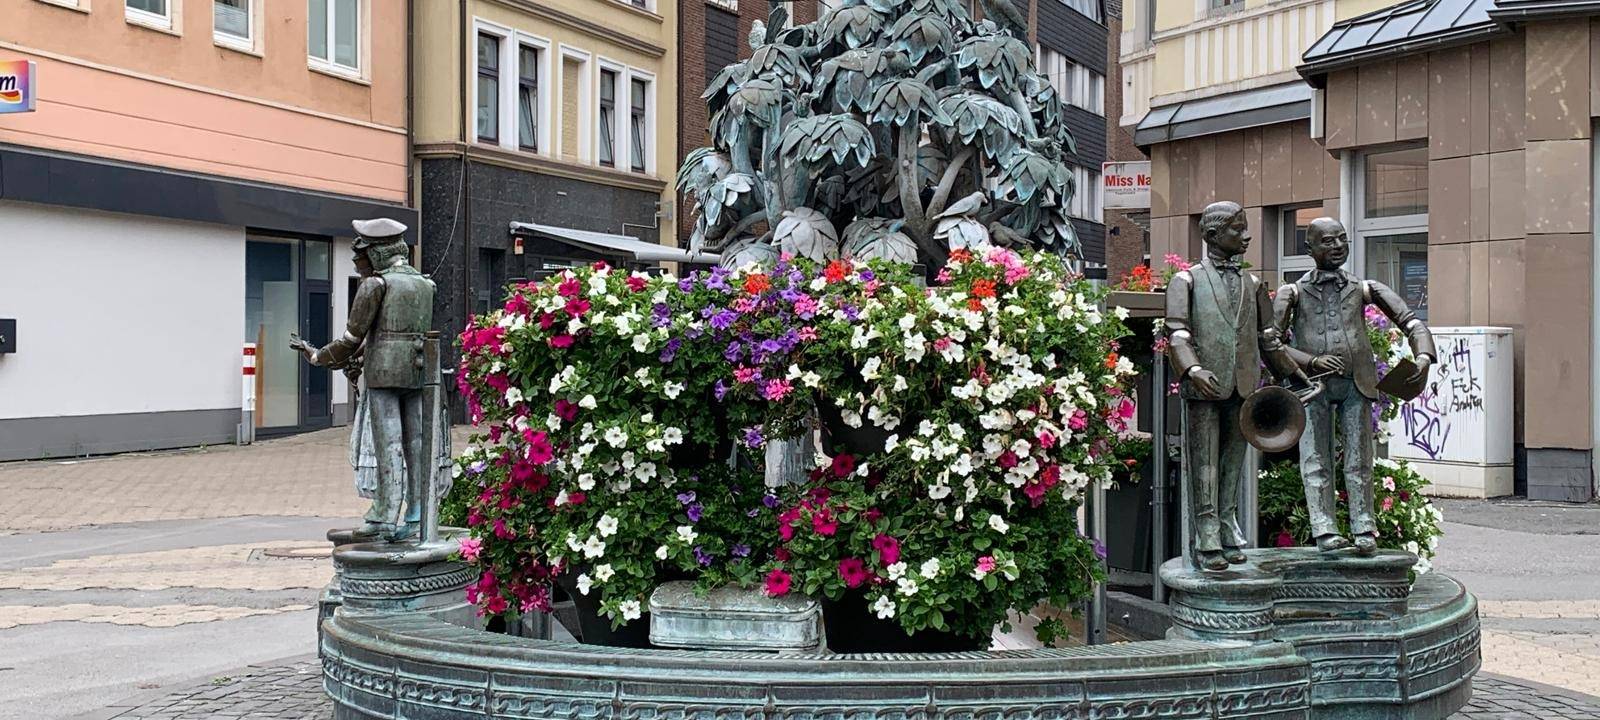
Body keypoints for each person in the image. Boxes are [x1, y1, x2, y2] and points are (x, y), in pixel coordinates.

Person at [1273, 217, 1433, 556]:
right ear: (1309, 248)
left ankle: (1364, 529)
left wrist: (1423, 357)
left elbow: (1411, 321)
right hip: (1312, 386)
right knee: (1315, 458)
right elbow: (1270, 342)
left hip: (1356, 383)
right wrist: (1311, 361)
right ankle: (1324, 530)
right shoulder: (1293, 292)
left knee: (1360, 459)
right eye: (1328, 241)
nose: (1336, 247)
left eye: (1342, 240)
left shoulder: (1365, 288)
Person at [1165, 201, 1304, 571]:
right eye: (1236, 229)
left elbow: (1269, 339)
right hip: (1204, 387)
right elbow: (1176, 332)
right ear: (1212, 235)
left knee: (1233, 463)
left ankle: (1227, 523)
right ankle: (1206, 530)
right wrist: (1192, 369)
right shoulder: (1186, 280)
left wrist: (1296, 375)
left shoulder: (1253, 283)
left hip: (1243, 386)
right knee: (1204, 463)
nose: (1246, 235)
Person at [292, 218, 438, 542]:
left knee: (389, 445)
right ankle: (417, 515)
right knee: (416, 445)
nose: (359, 269)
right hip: (418, 372)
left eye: (361, 260)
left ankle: (385, 515)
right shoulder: (425, 284)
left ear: (374, 253)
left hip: (385, 375)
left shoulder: (375, 285)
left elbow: (350, 340)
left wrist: (317, 356)